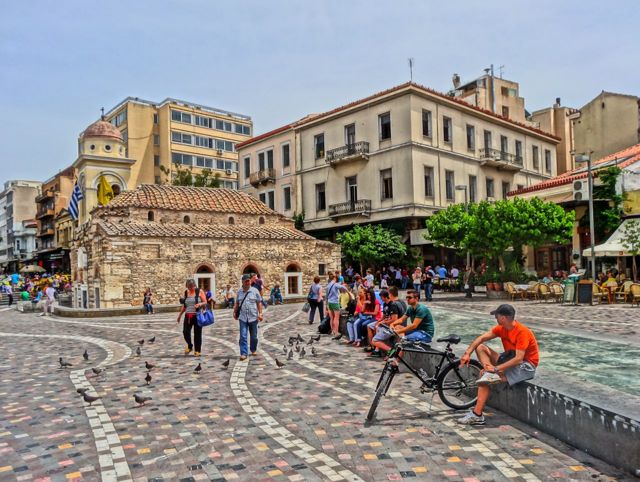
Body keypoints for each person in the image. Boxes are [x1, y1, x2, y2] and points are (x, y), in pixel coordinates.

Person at [458, 304, 539, 425]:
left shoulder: (522, 332)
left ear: (503, 318)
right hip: (508, 358)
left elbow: (518, 359)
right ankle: (487, 370)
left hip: (525, 366)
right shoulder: (501, 328)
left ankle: (477, 415)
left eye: (496, 316)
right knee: (481, 347)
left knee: (484, 381)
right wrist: (467, 353)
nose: (495, 318)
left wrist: (495, 369)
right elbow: (481, 339)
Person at [370, 287, 407, 356]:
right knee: (377, 326)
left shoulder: (393, 304)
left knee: (374, 340)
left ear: (390, 294)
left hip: (395, 328)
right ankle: (383, 352)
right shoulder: (402, 302)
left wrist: (383, 322)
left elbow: (394, 320)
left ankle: (390, 351)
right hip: (403, 326)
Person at [235, 273, 264, 360]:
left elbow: (259, 302)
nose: (248, 283)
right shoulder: (239, 292)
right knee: (243, 336)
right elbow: (237, 303)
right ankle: (243, 353)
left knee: (254, 336)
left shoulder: (255, 291)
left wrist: (260, 313)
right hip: (243, 317)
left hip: (253, 317)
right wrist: (235, 312)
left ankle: (253, 348)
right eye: (246, 281)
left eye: (249, 281)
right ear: (242, 282)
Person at [176, 279, 208, 357]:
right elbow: (184, 305)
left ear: (194, 285)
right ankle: (190, 345)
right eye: (188, 287)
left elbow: (205, 302)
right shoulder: (186, 292)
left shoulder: (199, 291)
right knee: (185, 332)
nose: (190, 289)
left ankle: (197, 350)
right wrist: (180, 315)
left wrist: (199, 304)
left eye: (191, 287)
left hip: (197, 315)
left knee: (197, 334)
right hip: (188, 315)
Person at [326, 272, 343, 338]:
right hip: (335, 302)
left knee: (331, 318)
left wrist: (326, 304)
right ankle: (336, 332)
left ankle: (333, 330)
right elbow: (342, 288)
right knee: (336, 318)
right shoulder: (335, 285)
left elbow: (326, 296)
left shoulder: (328, 285)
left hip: (329, 302)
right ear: (334, 278)